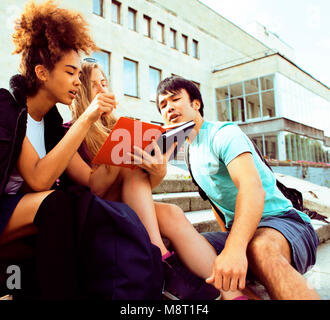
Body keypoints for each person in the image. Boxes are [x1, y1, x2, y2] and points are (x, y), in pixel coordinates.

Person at [0, 0, 164, 299]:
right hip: (4, 208)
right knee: (59, 203)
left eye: (79, 73)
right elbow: (38, 180)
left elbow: (93, 182)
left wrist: (119, 146)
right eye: (70, 72)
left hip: (27, 210)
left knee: (77, 199)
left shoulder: (51, 125)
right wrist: (88, 116)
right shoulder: (10, 109)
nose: (77, 81)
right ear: (42, 72)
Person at [68, 62, 241, 300]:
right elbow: (93, 187)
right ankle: (160, 257)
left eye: (104, 83)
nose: (101, 88)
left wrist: (157, 169)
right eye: (93, 84)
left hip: (125, 205)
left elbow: (142, 188)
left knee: (172, 213)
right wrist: (120, 149)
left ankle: (228, 289)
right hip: (94, 209)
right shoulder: (70, 130)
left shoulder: (115, 126)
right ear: (81, 91)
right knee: (133, 165)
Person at [155, 75, 320, 300]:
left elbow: (251, 187)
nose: (169, 108)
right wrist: (230, 242)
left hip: (284, 223)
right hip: (243, 231)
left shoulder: (223, 134)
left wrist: (235, 248)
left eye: (175, 99)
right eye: (163, 105)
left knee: (259, 248)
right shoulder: (191, 155)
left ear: (196, 104)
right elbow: (217, 204)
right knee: (188, 252)